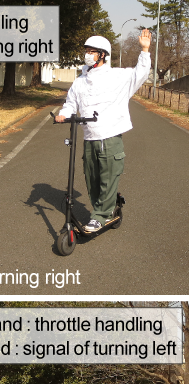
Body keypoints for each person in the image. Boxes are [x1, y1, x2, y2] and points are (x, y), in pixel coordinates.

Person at [56, 29, 152, 232]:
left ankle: (100, 215)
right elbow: (71, 103)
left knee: (108, 178)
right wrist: (64, 114)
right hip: (89, 137)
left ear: (103, 54)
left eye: (92, 51)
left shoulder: (117, 76)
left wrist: (145, 50)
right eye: (86, 51)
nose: (87, 54)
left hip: (109, 137)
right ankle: (103, 207)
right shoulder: (80, 81)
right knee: (91, 178)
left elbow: (140, 73)